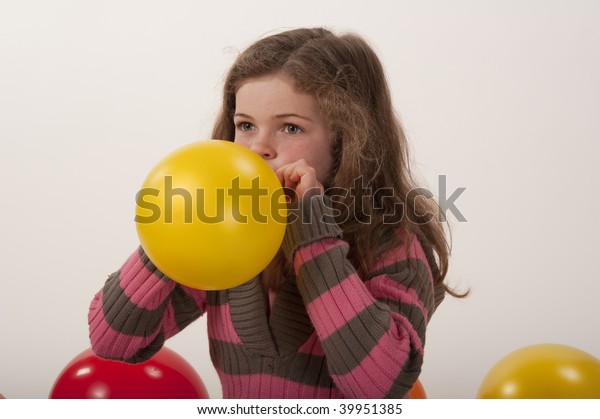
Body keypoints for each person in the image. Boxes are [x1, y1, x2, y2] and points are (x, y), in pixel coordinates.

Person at [88, 27, 463, 399]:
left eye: (290, 127)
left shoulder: (391, 244)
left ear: (346, 140)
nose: (259, 148)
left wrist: (312, 238)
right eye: (246, 125)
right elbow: (112, 342)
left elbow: (379, 387)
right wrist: (172, 235)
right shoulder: (226, 238)